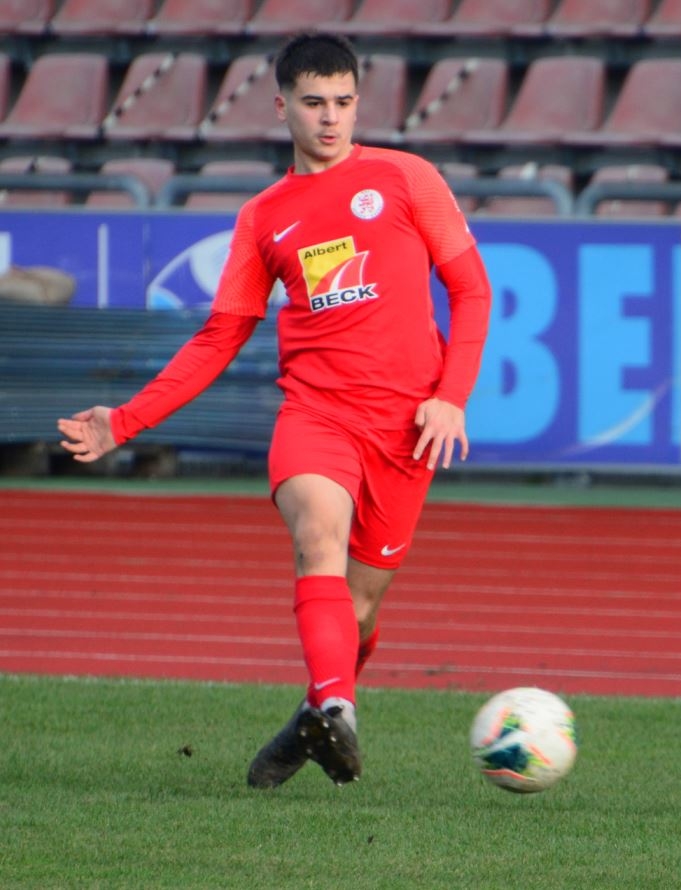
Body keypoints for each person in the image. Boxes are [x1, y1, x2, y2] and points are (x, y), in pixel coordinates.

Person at [56, 32, 492, 790]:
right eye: (315, 103)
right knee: (317, 537)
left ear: (359, 101)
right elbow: (221, 335)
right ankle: (337, 707)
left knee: (359, 608)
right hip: (316, 416)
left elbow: (472, 290)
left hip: (407, 427)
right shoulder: (263, 217)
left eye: (345, 103)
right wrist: (124, 420)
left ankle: (314, 715)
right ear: (282, 104)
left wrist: (451, 396)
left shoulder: (406, 178)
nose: (331, 119)